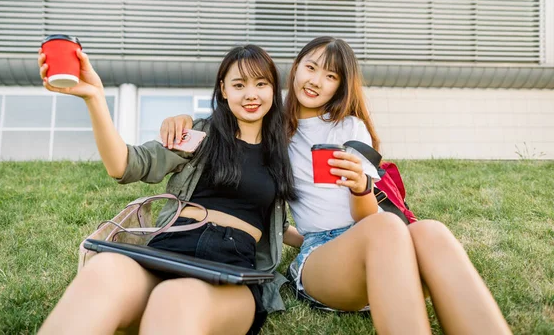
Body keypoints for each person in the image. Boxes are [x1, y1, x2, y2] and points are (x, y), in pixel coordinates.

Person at [160, 36, 512, 334]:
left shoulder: (351, 128)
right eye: (310, 67)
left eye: (329, 76)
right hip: (323, 257)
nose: (315, 81)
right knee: (387, 227)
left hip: (376, 241)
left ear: (340, 86)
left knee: (432, 232)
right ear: (295, 68)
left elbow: (366, 217)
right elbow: (229, 124)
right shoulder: (272, 126)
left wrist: (360, 188)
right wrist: (185, 119)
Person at [36, 44, 297, 334]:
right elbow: (125, 165)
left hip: (231, 269)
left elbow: (278, 227)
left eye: (261, 84)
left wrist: (317, 243)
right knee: (103, 270)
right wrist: (95, 97)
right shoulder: (199, 136)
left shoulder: (282, 154)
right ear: (223, 90)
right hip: (169, 249)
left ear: (274, 89)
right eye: (239, 84)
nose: (251, 94)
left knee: (175, 298)